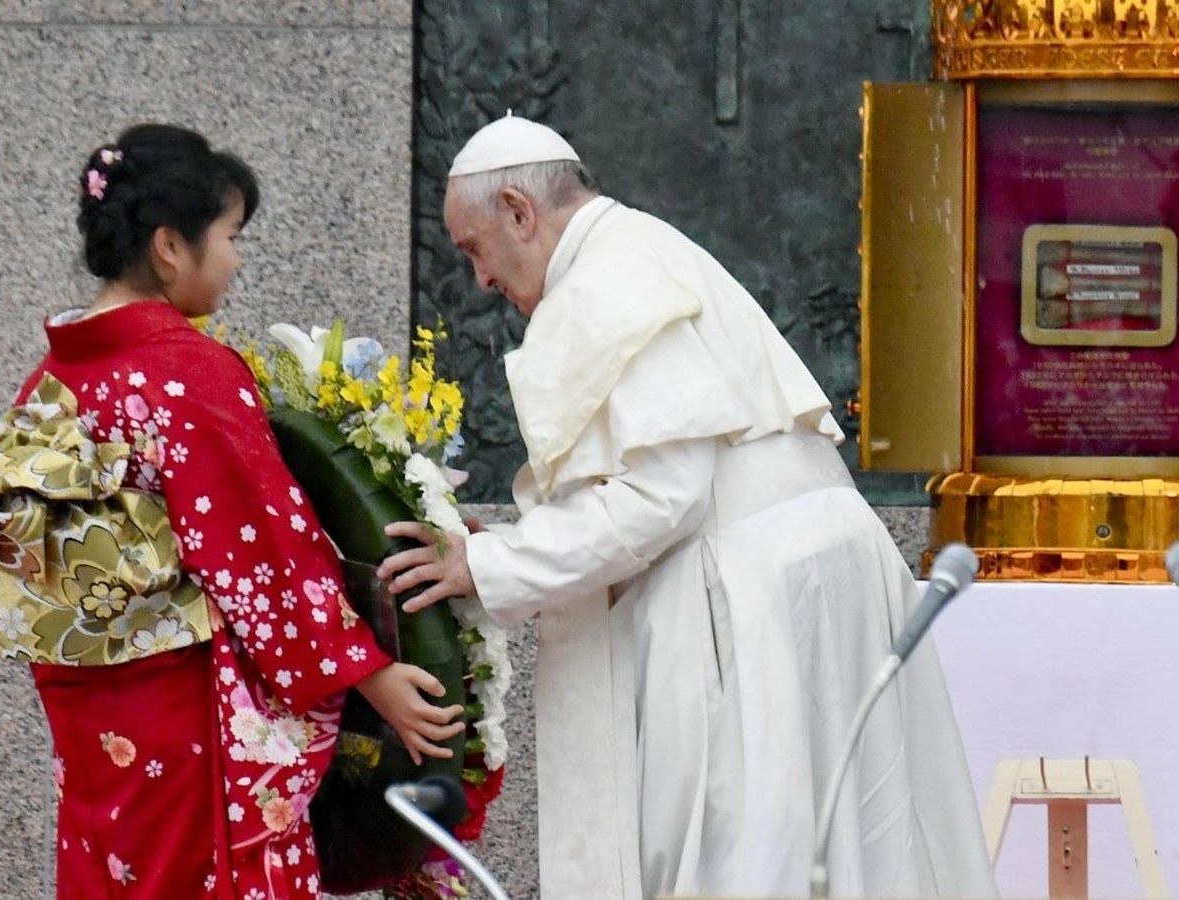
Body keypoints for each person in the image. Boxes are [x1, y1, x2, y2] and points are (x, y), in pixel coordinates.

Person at [377, 114, 996, 899]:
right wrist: (513, 542)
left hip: (753, 604)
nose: (481, 281)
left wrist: (488, 561)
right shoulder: (639, 249)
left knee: (744, 861)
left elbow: (656, 499)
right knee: (849, 859)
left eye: (475, 249)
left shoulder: (604, 280)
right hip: (804, 578)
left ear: (519, 211)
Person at [0, 124, 463, 898]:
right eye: (230, 236)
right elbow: (260, 551)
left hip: (94, 714)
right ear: (169, 246)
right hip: (188, 710)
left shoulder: (53, 379)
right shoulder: (187, 371)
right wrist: (368, 672)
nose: (236, 258)